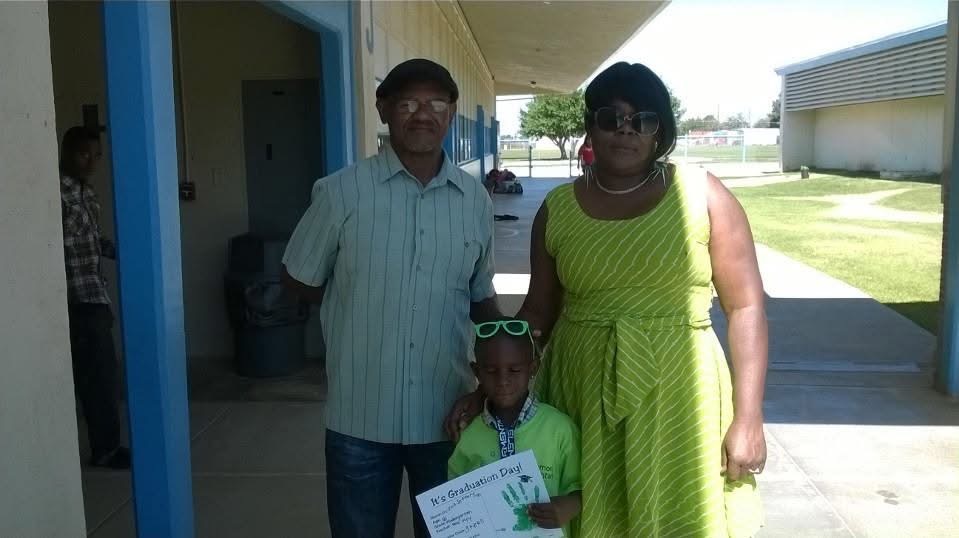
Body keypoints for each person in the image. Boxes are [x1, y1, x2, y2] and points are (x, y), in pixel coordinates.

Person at [447, 62, 767, 537]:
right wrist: (489, 387)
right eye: (610, 117)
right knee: (586, 507)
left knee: (680, 512)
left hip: (680, 392)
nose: (626, 130)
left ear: (660, 131)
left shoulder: (702, 194)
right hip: (582, 391)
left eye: (643, 120)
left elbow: (746, 307)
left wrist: (749, 416)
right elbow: (538, 314)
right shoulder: (558, 208)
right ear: (590, 126)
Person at [281, 58, 501, 538]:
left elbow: (481, 297)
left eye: (436, 103)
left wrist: (505, 365)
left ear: (451, 114)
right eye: (407, 103)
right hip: (359, 417)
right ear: (383, 109)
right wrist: (362, 299)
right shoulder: (340, 193)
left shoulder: (474, 201)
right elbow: (298, 278)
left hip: (448, 417)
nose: (422, 114)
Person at [448, 317, 582, 534]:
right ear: (477, 372)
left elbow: (584, 487)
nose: (503, 380)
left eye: (514, 370)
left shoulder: (560, 430)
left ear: (533, 368)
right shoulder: (469, 436)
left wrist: (570, 505)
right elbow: (455, 504)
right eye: (491, 371)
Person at [59, 126, 130, 469]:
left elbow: (92, 240)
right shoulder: (56, 193)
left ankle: (107, 444)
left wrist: (126, 252)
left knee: (103, 373)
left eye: (96, 155)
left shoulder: (87, 193)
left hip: (95, 293)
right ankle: (106, 449)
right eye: (83, 154)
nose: (91, 162)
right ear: (67, 153)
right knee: (98, 376)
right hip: (77, 300)